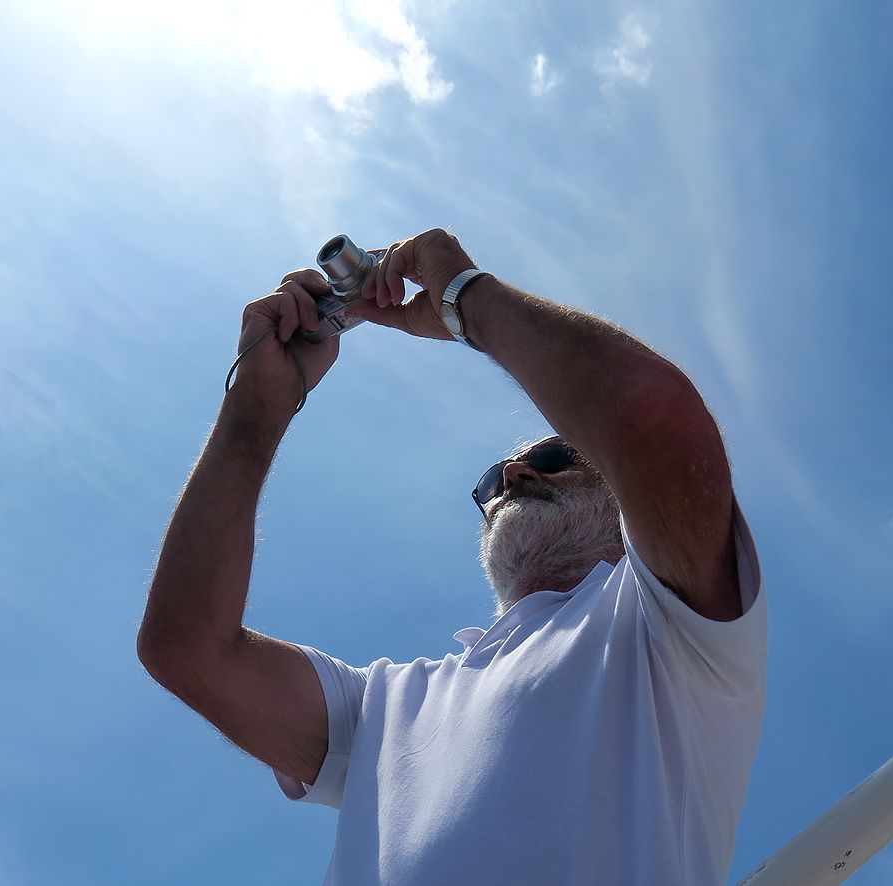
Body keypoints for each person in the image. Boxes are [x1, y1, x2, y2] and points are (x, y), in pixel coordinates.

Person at [138, 228, 767, 884]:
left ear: (624, 497)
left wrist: (465, 298)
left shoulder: (671, 630)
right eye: (492, 482)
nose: (513, 477)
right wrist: (257, 404)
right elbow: (188, 649)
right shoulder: (382, 707)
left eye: (555, 458)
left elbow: (653, 418)